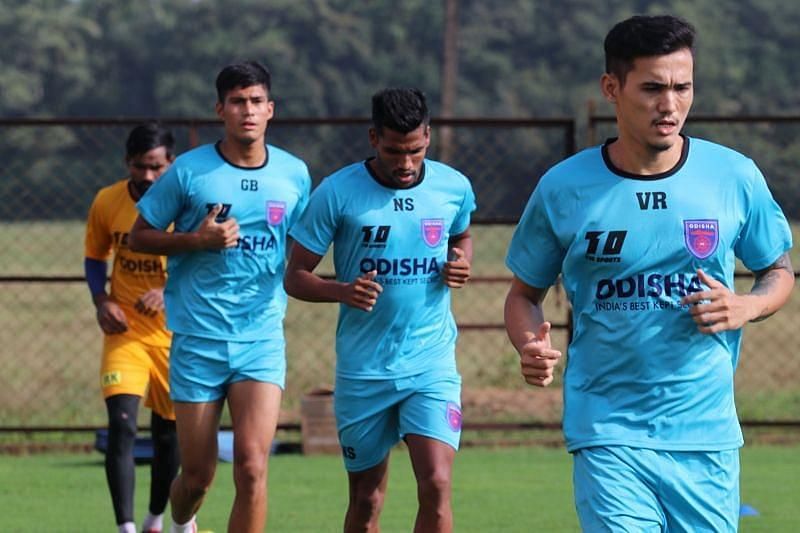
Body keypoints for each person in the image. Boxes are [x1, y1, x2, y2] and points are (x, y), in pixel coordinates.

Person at [504, 14, 794, 532]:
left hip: (705, 433)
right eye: (653, 88)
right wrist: (529, 344)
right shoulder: (563, 187)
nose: (670, 105)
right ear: (611, 88)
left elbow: (777, 271)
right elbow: (524, 294)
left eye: (683, 87)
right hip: (606, 428)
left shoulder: (733, 175)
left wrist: (746, 305)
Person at [129, 61, 311, 533]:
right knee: (198, 477)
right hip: (197, 339)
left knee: (252, 467)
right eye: (236, 102)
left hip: (261, 338)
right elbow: (140, 236)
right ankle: (180, 523)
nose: (246, 111)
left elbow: (308, 244)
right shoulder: (190, 171)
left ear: (270, 109)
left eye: (255, 101)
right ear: (220, 109)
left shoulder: (294, 175)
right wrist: (196, 240)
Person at [284, 87, 476, 532]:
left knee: (436, 484)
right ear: (373, 138)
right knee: (368, 500)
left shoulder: (453, 186)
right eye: (394, 151)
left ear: (428, 136)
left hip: (430, 364)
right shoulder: (337, 192)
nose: (406, 163)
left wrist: (461, 261)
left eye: (415, 149)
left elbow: (461, 236)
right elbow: (295, 276)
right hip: (364, 371)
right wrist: (342, 291)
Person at [84, 122, 179, 533]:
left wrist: (166, 290)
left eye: (156, 167)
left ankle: (156, 519)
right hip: (125, 333)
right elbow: (94, 257)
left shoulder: (187, 204)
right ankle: (124, 527)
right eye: (139, 166)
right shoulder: (107, 201)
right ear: (128, 163)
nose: (147, 176)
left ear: (170, 164)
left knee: (168, 436)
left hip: (176, 336)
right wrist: (101, 300)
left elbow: (206, 261)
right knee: (122, 424)